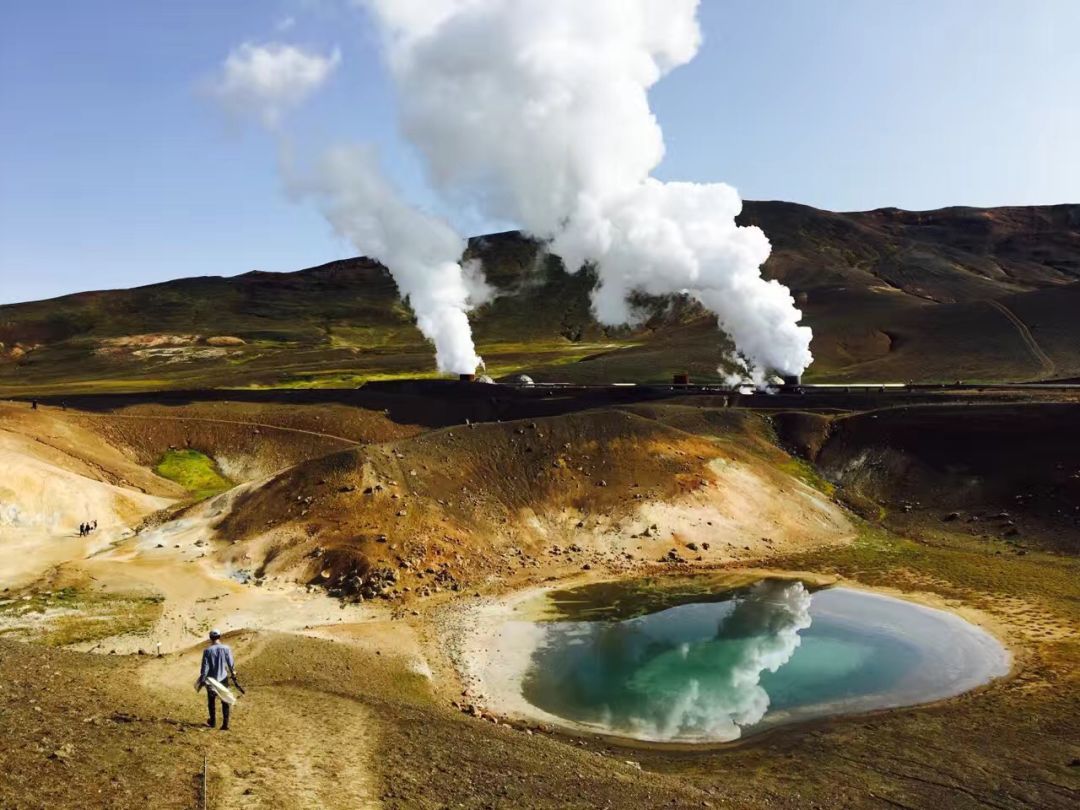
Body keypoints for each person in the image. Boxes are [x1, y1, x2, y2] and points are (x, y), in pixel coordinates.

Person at [197, 629, 237, 730]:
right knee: (225, 700)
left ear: (210, 638)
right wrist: (233, 674)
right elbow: (230, 663)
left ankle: (213, 722)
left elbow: (204, 667)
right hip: (223, 678)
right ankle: (225, 724)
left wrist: (202, 679)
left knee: (211, 701)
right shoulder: (226, 648)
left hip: (211, 679)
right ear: (220, 636)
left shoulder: (207, 651)